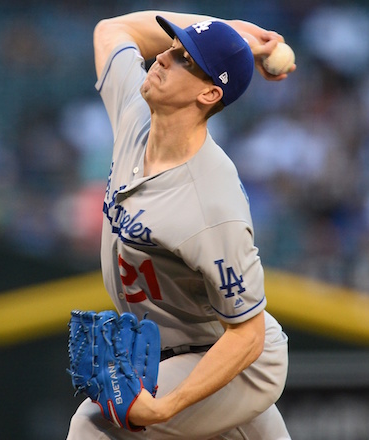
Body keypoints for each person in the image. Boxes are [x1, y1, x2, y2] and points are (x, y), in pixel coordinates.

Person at [67, 10, 296, 439]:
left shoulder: (211, 202)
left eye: (184, 59)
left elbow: (246, 335)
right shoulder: (137, 116)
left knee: (94, 426)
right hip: (182, 349)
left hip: (235, 359)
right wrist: (234, 30)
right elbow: (113, 31)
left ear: (209, 94)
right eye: (172, 46)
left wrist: (164, 407)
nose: (163, 58)